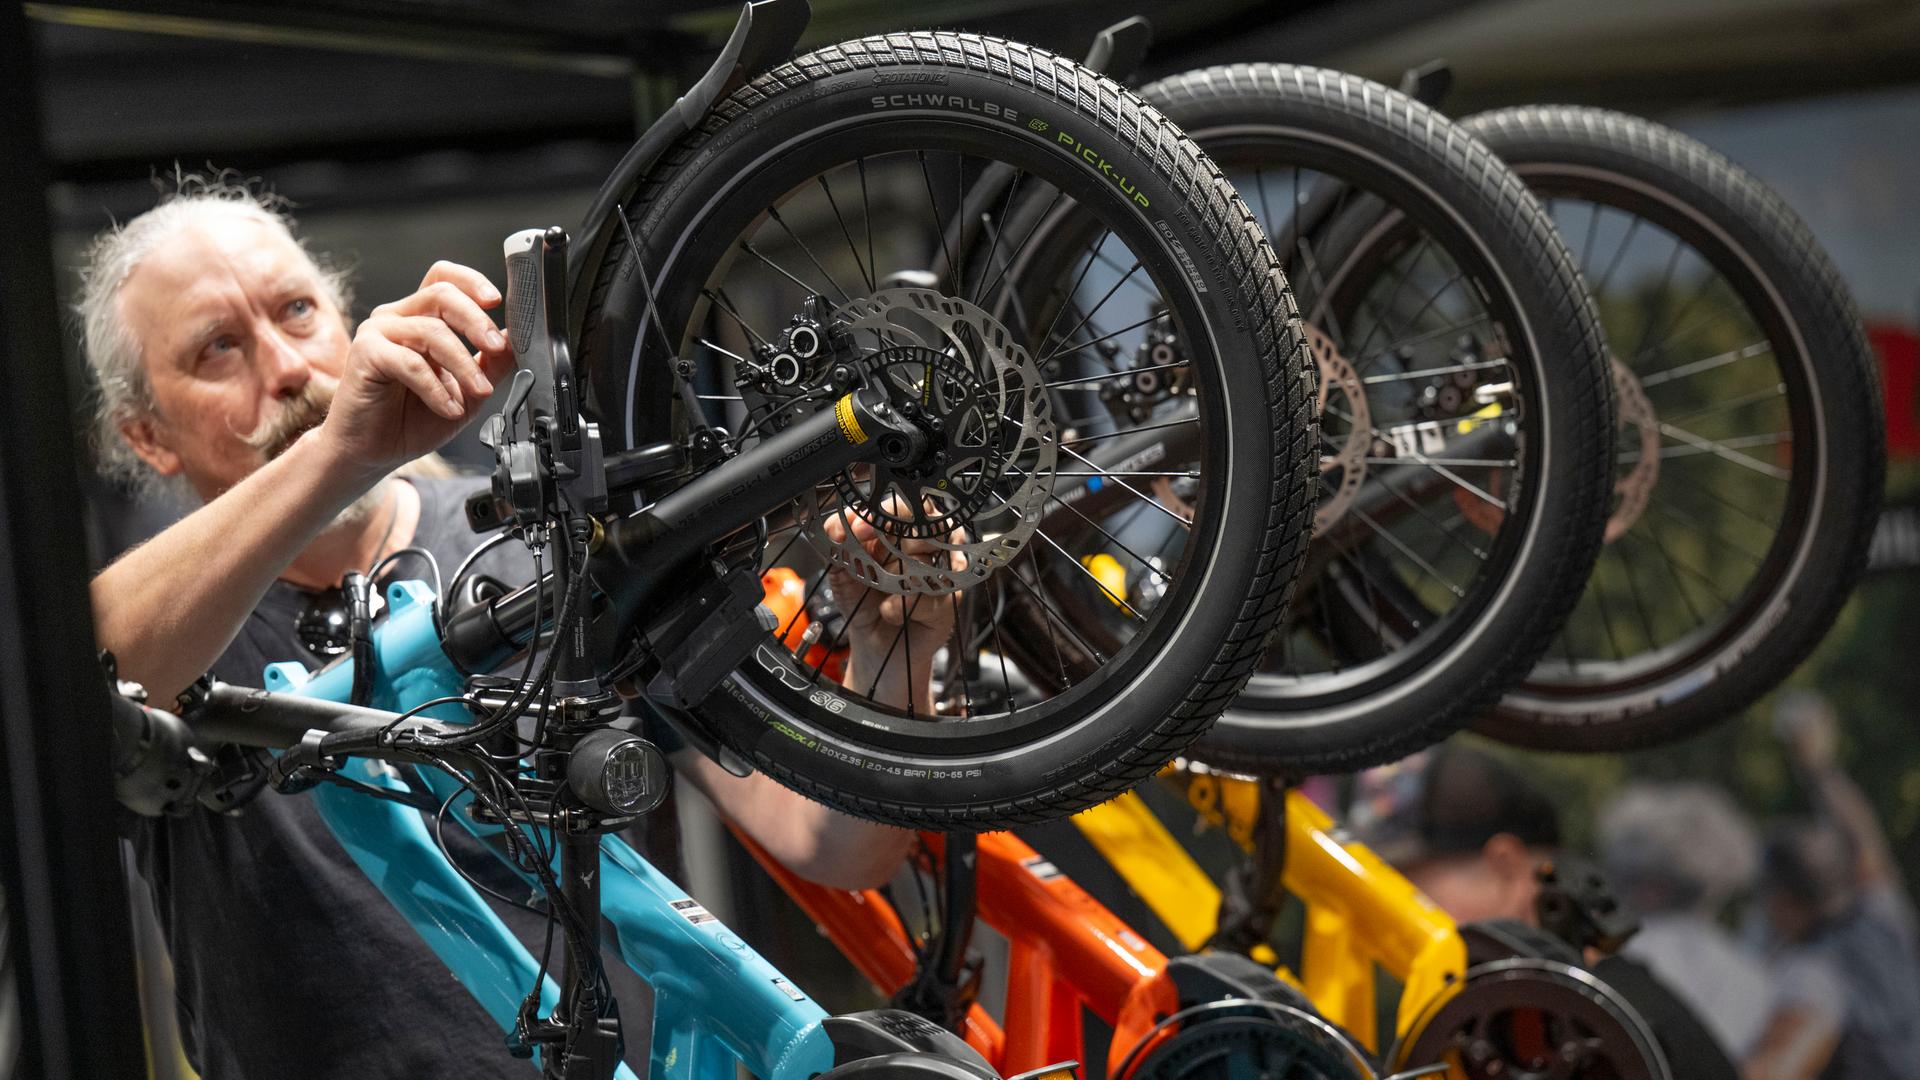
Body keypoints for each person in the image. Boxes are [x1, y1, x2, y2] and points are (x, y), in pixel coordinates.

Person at [78, 176, 926, 1078]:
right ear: (147, 437)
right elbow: (82, 670)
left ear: (346, 320)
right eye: (218, 348)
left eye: (296, 311)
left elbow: (831, 845)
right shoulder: (170, 629)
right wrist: (338, 453)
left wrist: (900, 640)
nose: (286, 367)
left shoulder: (546, 548)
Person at [1350, 742, 1744, 1080]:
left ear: (1504, 865)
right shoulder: (1572, 1017)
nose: (1386, 923)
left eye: (1404, 889)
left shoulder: (1601, 1034)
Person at [1753, 691, 1920, 1080]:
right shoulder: (1880, 923)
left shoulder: (1812, 969)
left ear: (1786, 903)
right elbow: (1866, 846)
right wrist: (1819, 767)